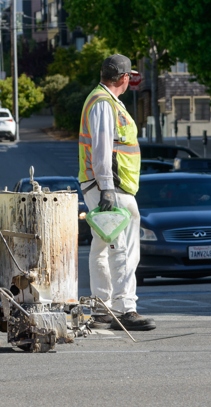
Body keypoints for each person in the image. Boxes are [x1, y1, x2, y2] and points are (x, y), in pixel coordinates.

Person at [78, 54, 156, 332]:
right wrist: (107, 188)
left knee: (102, 247)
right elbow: (101, 150)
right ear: (124, 78)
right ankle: (125, 308)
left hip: (106, 186)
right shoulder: (102, 103)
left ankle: (103, 310)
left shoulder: (104, 101)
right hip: (110, 187)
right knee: (120, 248)